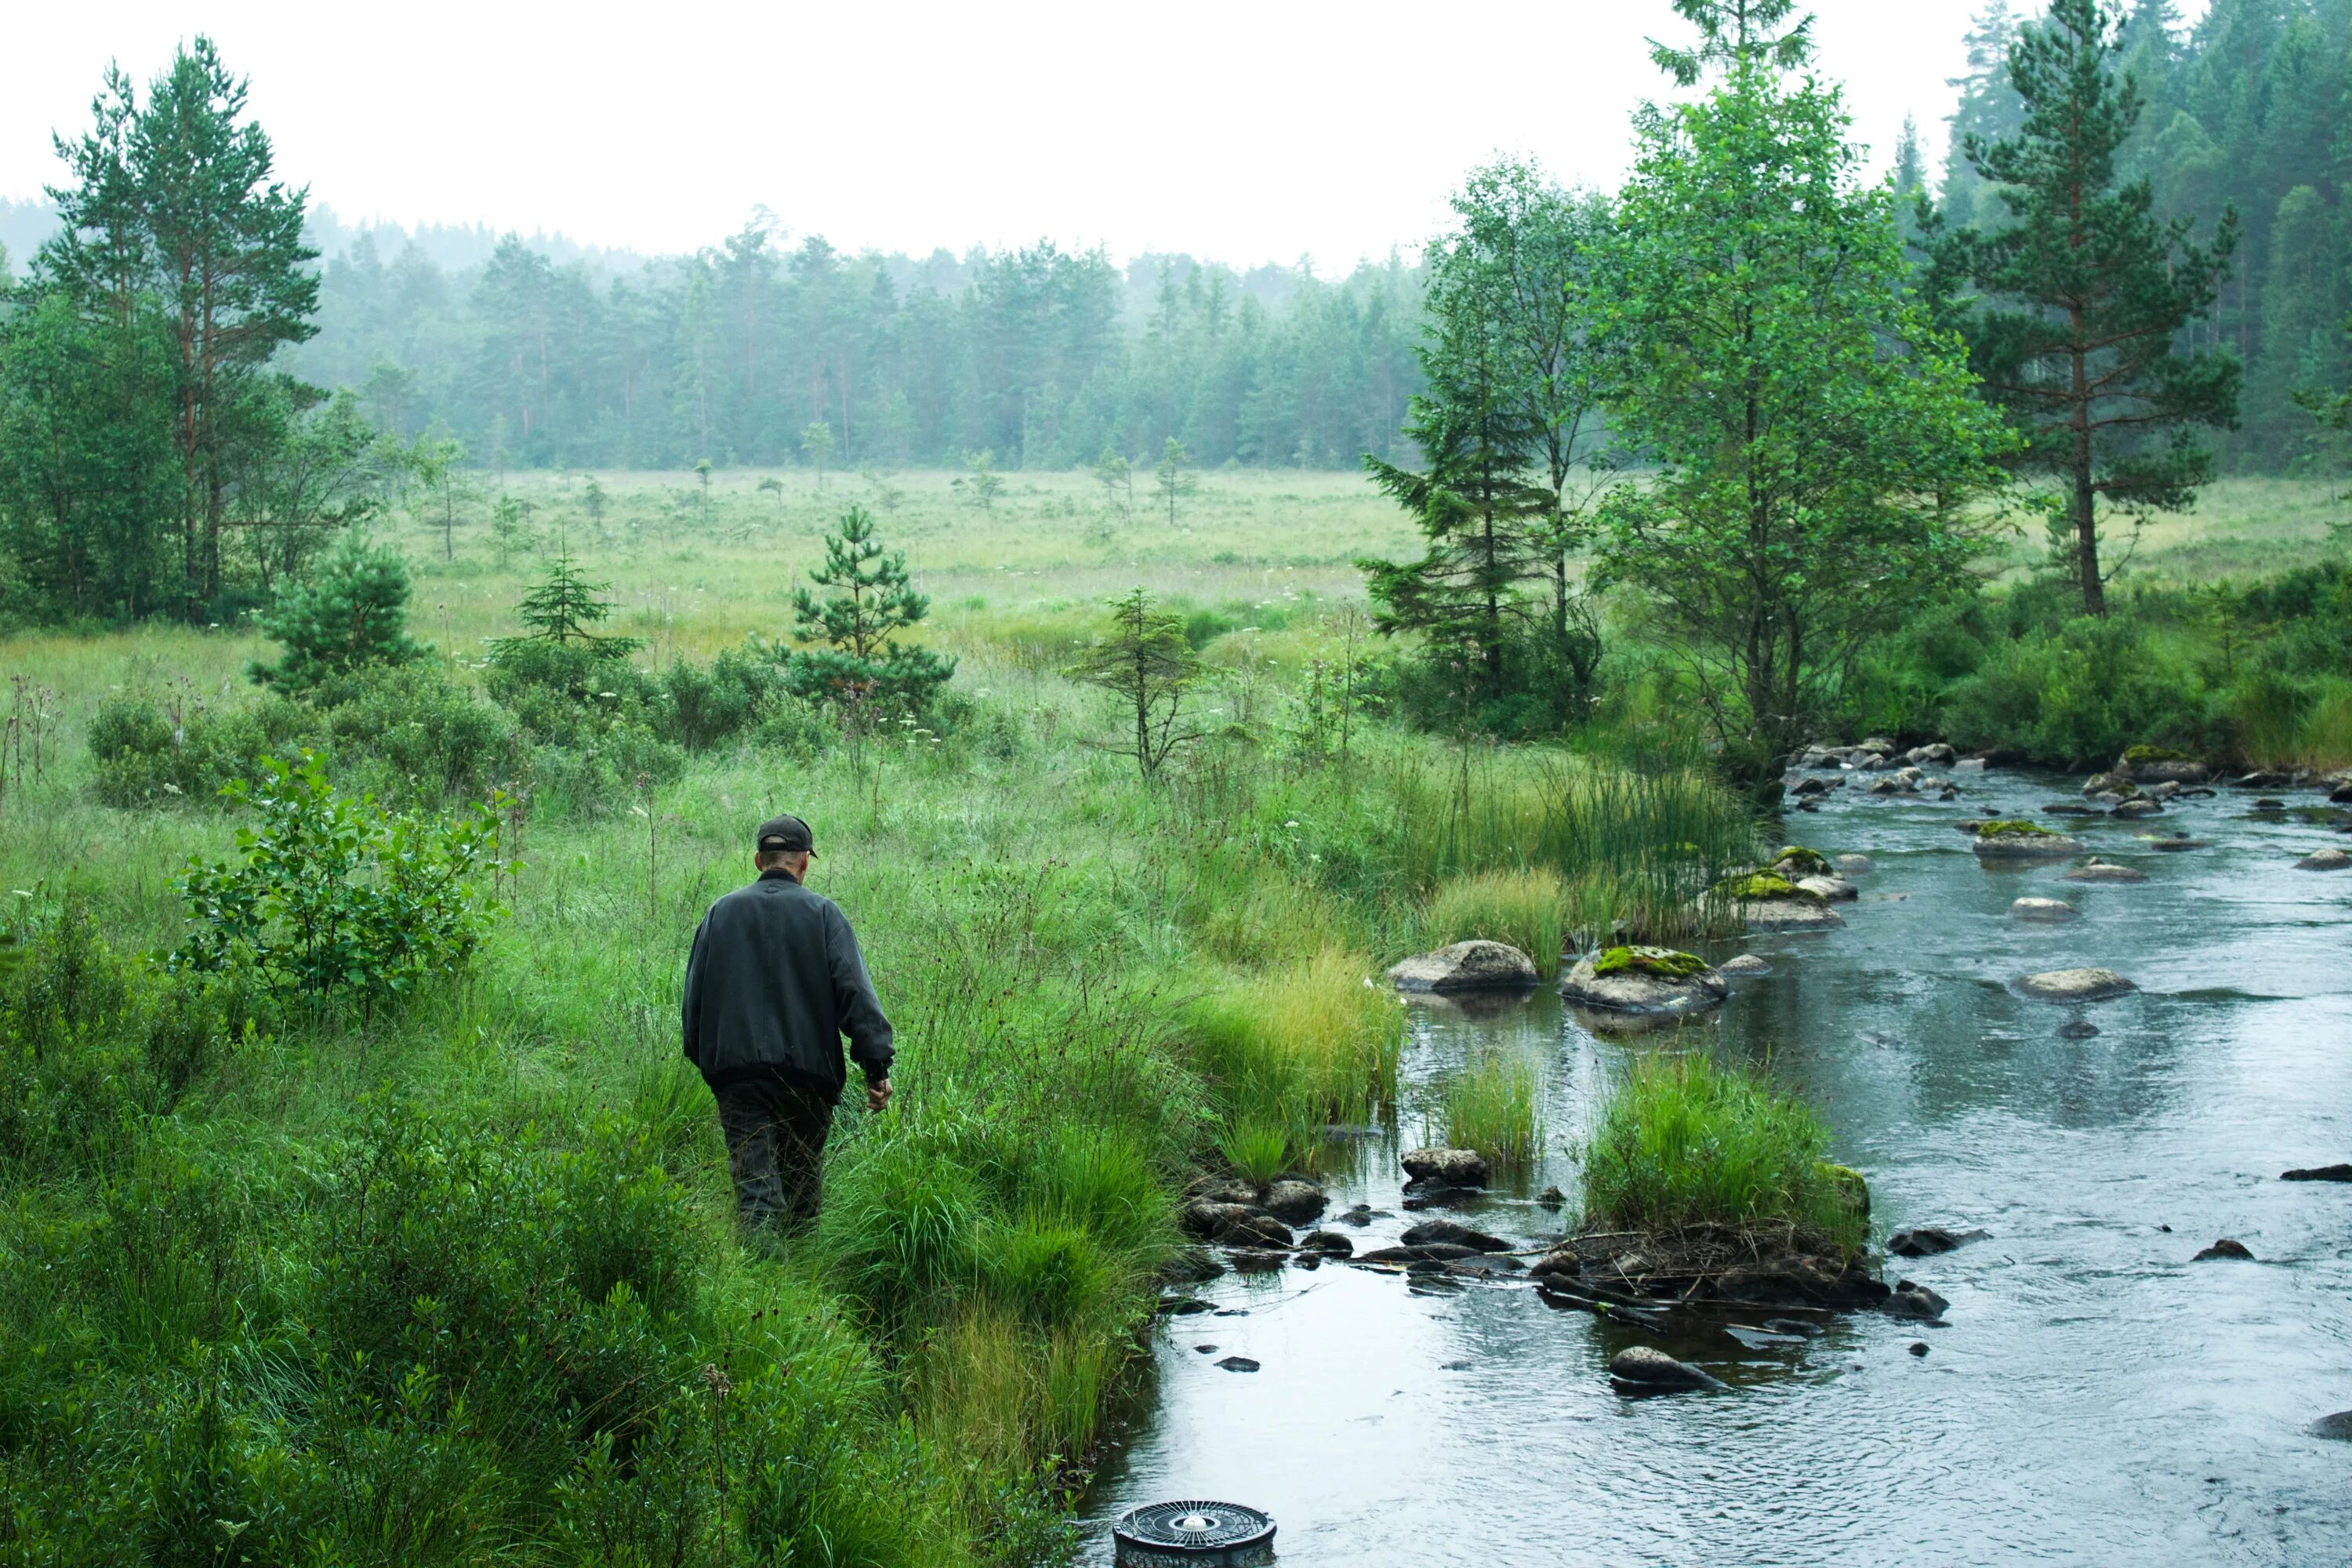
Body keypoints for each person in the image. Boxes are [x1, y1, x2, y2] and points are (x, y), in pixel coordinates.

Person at [681, 812, 893, 1234]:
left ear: (759, 861)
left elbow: (694, 1006)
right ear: (804, 863)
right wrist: (876, 1068)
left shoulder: (720, 912)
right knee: (801, 1197)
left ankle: (759, 1285)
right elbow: (856, 995)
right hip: (808, 1080)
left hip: (738, 1078)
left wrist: (713, 1068)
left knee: (755, 1197)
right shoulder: (825, 915)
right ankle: (799, 1276)